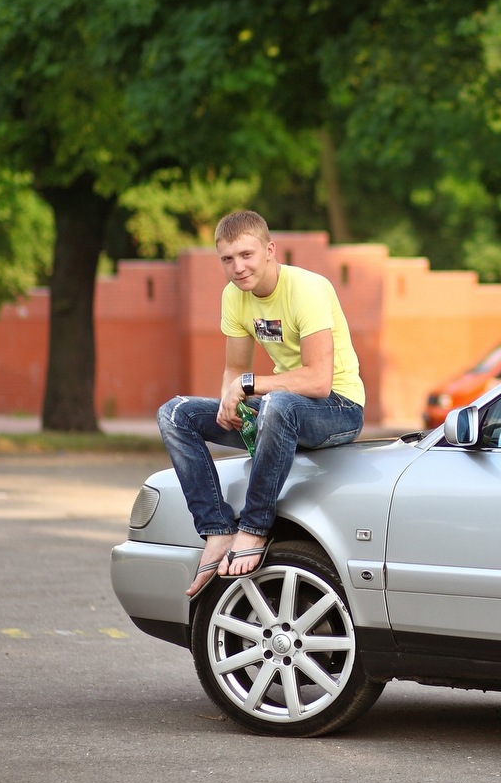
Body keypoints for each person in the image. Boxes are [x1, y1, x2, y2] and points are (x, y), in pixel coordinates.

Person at [157, 210, 367, 597]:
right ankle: (217, 530)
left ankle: (253, 528)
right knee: (175, 413)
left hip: (337, 409)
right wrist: (229, 400)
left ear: (269, 250)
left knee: (278, 404)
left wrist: (248, 386)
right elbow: (234, 369)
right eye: (227, 259)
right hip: (279, 410)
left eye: (246, 255)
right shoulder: (234, 297)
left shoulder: (307, 288)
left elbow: (319, 381)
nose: (238, 267)